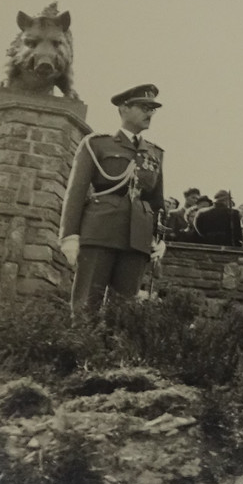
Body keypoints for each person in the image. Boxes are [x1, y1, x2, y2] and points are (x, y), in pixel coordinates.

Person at [60, 84, 166, 315]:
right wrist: (70, 235)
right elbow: (76, 191)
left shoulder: (155, 153)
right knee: (86, 305)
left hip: (138, 237)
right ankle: (81, 349)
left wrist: (157, 238)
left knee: (125, 311)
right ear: (123, 109)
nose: (150, 113)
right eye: (144, 107)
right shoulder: (97, 144)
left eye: (153, 109)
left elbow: (156, 201)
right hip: (100, 230)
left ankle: (114, 352)